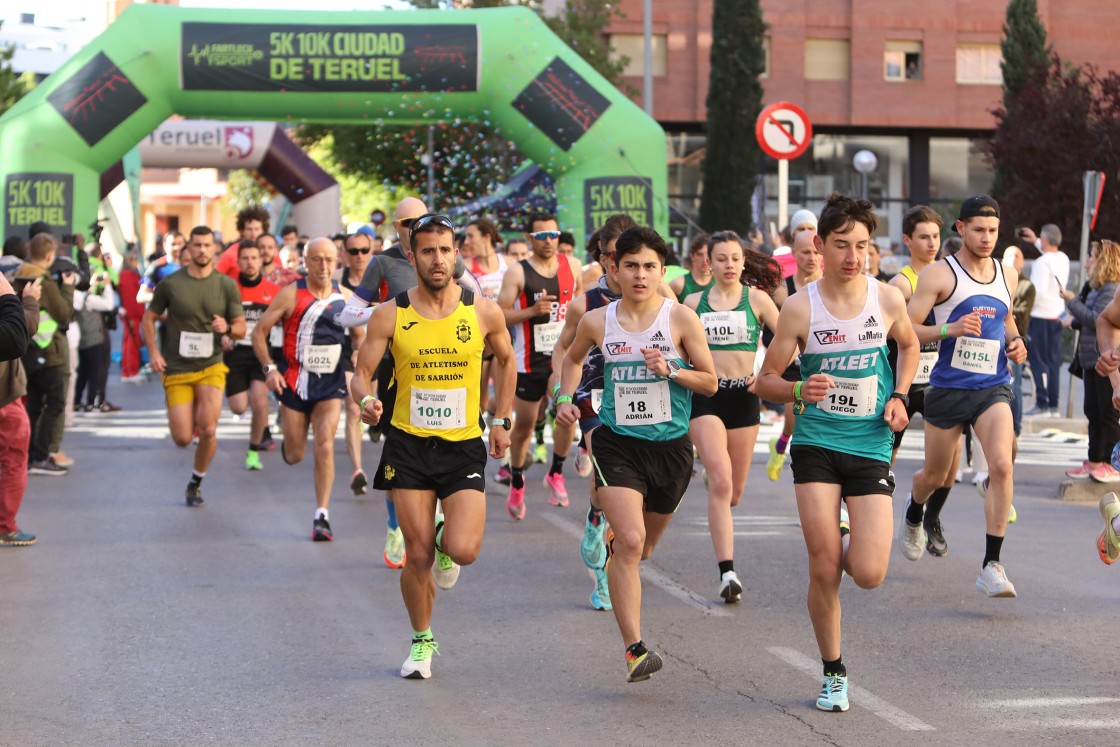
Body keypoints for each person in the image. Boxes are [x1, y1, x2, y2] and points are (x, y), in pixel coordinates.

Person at [756, 192, 918, 713]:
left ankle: (846, 531)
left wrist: (899, 396)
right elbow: (766, 381)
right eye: (842, 245)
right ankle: (833, 672)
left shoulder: (887, 300)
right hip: (817, 445)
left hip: (871, 442)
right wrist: (800, 391)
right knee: (824, 568)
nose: (853, 256)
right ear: (820, 246)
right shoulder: (801, 307)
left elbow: (910, 346)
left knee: (869, 573)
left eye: (863, 246)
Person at [351, 213, 515, 680]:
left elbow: (507, 360)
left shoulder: (481, 311)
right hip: (407, 445)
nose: (438, 259)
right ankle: (421, 642)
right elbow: (361, 374)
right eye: (427, 250)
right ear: (412, 255)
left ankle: (446, 543)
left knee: (462, 550)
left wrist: (502, 418)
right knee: (416, 555)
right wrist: (365, 400)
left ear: (456, 253)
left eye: (445, 249)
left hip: (462, 444)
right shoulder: (390, 314)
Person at [555, 225, 716, 683]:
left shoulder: (681, 318)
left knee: (641, 548)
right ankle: (635, 649)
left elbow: (710, 381)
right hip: (617, 442)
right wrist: (565, 400)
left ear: (662, 271)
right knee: (629, 542)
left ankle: (612, 546)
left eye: (649, 266)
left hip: (671, 451)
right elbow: (570, 359)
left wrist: (674, 369)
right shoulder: (596, 321)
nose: (640, 275)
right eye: (630, 266)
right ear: (614, 269)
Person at [338, 197, 480, 568]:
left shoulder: (445, 257)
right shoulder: (382, 261)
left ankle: (438, 530)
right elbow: (347, 315)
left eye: (417, 220)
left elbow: (477, 297)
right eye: (405, 222)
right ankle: (395, 526)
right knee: (400, 453)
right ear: (397, 228)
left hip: (444, 361)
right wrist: (391, 312)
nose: (411, 226)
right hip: (392, 367)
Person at [900, 195, 1028, 598]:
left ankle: (992, 564)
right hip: (948, 388)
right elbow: (904, 330)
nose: (987, 238)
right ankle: (915, 510)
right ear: (961, 229)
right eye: (978, 230)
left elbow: (1007, 317)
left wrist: (1017, 340)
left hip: (992, 387)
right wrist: (948, 330)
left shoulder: (1007, 274)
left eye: (993, 230)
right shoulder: (940, 275)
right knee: (936, 476)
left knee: (1002, 466)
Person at [683, 231, 781, 603]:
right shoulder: (692, 302)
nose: (728, 265)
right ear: (708, 262)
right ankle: (727, 573)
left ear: (743, 262)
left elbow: (789, 336)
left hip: (744, 397)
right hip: (706, 397)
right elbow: (675, 344)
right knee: (722, 483)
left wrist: (768, 372)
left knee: (733, 494)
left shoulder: (757, 300)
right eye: (720, 258)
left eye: (735, 258)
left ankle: (715, 470)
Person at [551, 213, 638, 611]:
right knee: (608, 468)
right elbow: (562, 352)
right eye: (612, 255)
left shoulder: (662, 300)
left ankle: (593, 516)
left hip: (643, 401)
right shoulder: (585, 303)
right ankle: (604, 579)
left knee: (626, 494)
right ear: (603, 260)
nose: (621, 264)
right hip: (596, 396)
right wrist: (562, 395)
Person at [253, 238, 361, 540]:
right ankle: (289, 445)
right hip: (294, 385)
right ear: (306, 261)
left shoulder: (346, 297)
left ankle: (321, 515)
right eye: (317, 260)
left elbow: (359, 335)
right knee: (297, 453)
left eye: (329, 259)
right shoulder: (290, 295)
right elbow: (259, 332)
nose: (324, 266)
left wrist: (356, 353)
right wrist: (269, 369)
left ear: (337, 261)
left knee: (325, 443)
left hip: (330, 385)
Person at [142, 226, 245, 507]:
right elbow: (148, 318)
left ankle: (196, 481)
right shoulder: (171, 284)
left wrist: (228, 328)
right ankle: (187, 428)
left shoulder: (225, 285)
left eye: (206, 245)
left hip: (211, 365)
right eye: (196, 245)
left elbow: (241, 328)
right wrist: (153, 352)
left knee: (209, 429)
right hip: (177, 367)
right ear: (188, 248)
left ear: (214, 249)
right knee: (182, 437)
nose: (201, 250)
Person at [497, 212, 585, 518]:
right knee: (522, 428)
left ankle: (556, 471)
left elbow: (581, 304)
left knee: (566, 409)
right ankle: (517, 480)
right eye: (542, 236)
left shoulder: (573, 266)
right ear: (529, 238)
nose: (549, 241)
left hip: (561, 358)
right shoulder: (517, 272)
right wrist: (531, 311)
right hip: (528, 362)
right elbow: (499, 314)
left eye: (553, 235)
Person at [886, 206, 960, 556]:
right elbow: (885, 332)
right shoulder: (901, 284)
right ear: (907, 240)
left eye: (935, 236)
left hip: (940, 380)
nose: (932, 244)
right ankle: (872, 517)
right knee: (885, 460)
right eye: (923, 237)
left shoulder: (949, 278)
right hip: (904, 381)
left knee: (949, 464)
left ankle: (930, 518)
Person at [15, 233, 76, 475]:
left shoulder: (20, 275)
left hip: (27, 352)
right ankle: (39, 457)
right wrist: (68, 288)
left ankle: (28, 456)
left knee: (33, 406)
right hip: (47, 353)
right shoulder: (43, 280)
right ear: (50, 256)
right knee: (55, 403)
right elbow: (63, 314)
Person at [766, 224, 823, 480]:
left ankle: (782, 442)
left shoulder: (829, 286)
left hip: (821, 363)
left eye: (814, 252)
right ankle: (783, 445)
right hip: (791, 364)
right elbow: (770, 327)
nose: (810, 258)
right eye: (804, 253)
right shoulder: (781, 290)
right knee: (792, 415)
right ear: (794, 255)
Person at [1060, 239, 1120, 482]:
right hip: (1091, 359)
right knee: (1096, 411)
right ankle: (1100, 461)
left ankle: (1107, 462)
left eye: (1091, 256)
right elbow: (1103, 320)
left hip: (1095, 359)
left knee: (1104, 414)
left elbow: (1094, 317)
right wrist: (1112, 366)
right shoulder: (1103, 289)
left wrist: (1072, 302)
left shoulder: (1108, 287)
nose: (1086, 262)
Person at [221, 241, 281, 471]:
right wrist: (223, 335)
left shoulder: (273, 291)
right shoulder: (229, 288)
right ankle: (242, 409)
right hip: (235, 353)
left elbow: (281, 324)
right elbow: (216, 317)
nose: (250, 263)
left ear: (262, 260)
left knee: (260, 401)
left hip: (261, 353)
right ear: (238, 262)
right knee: (238, 407)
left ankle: (253, 451)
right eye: (245, 258)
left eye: (254, 258)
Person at [333, 231, 376, 495]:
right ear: (345, 254)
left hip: (383, 352)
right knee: (353, 408)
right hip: (352, 351)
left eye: (364, 250)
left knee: (377, 407)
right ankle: (358, 470)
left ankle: (377, 426)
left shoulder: (382, 277)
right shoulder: (337, 281)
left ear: (371, 252)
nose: (359, 256)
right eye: (353, 251)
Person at [0, 272, 40, 545]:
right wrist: (28, 301)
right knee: (14, 459)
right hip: (5, 394)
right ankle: (5, 526)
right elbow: (19, 333)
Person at [1025, 224, 1069, 416]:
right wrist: (1036, 239)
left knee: (1039, 362)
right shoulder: (1063, 258)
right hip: (1057, 315)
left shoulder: (1042, 263)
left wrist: (1026, 309)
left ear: (1045, 239)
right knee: (1053, 363)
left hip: (1041, 316)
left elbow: (1038, 292)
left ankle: (1041, 403)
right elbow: (1050, 255)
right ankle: (1053, 405)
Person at [73, 268, 116, 412]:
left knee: (83, 372)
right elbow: (109, 304)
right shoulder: (88, 299)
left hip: (81, 340)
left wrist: (92, 286)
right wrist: (108, 285)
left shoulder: (75, 296)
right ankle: (91, 401)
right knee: (94, 371)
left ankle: (77, 401)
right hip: (94, 340)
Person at [1002, 246, 1035, 437]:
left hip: (1016, 341)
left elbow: (1021, 315)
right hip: (995, 341)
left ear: (1023, 262)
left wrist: (1006, 315)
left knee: (1015, 386)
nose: (1014, 259)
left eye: (1018, 256)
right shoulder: (997, 281)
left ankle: (1015, 428)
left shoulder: (1026, 286)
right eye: (1010, 255)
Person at [216, 205, 269, 278]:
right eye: (249, 229)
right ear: (241, 231)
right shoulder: (230, 254)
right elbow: (216, 278)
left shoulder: (270, 252)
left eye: (257, 229)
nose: (253, 234)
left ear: (263, 230)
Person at [118, 250, 146, 383]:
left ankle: (129, 371)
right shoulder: (128, 275)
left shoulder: (130, 274)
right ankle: (130, 371)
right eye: (133, 259)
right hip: (133, 315)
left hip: (134, 315)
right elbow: (130, 298)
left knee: (131, 343)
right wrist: (133, 316)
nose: (135, 261)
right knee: (132, 344)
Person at [669, 232, 712, 302]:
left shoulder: (720, 282)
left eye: (708, 255)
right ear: (692, 256)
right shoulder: (678, 284)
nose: (705, 259)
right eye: (700, 254)